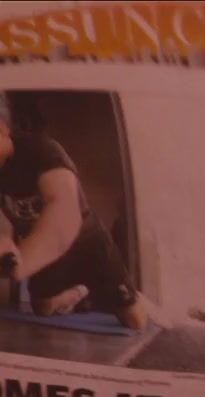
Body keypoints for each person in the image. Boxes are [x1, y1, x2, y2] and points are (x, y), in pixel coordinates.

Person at [0, 96, 147, 329]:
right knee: (42, 307)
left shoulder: (42, 150)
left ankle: (124, 293)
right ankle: (80, 292)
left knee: (135, 321)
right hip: (42, 246)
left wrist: (19, 263)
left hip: (86, 242)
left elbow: (65, 214)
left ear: (2, 130)